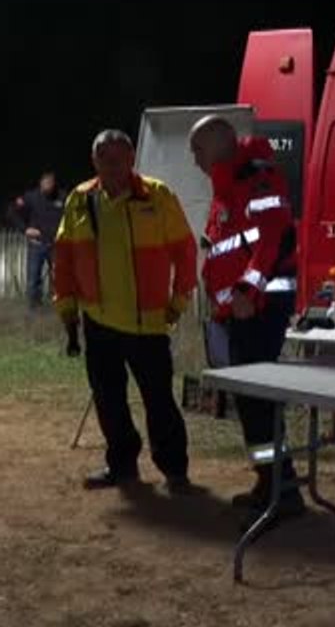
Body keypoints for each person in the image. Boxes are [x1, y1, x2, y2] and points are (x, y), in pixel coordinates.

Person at [53, 129, 199, 494]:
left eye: (118, 159)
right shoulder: (79, 201)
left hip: (148, 324)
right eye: (105, 159)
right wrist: (68, 310)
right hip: (98, 322)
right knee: (108, 400)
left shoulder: (157, 196)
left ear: (132, 158)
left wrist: (178, 302)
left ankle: (175, 470)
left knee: (159, 401)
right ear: (95, 161)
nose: (112, 167)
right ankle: (122, 467)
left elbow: (185, 252)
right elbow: (64, 259)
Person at [189, 115, 305, 525]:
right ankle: (270, 482)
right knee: (249, 401)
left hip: (259, 309)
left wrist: (246, 291)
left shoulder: (256, 176)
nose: (194, 159)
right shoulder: (225, 186)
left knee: (257, 400)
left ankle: (282, 492)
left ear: (220, 143)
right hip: (237, 312)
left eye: (197, 149)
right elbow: (223, 246)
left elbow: (274, 238)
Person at [7, 171, 65, 309]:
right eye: (46, 183)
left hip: (56, 245)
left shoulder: (62, 197)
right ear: (41, 183)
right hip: (37, 244)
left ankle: (60, 307)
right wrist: (25, 229)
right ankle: (34, 309)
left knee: (60, 278)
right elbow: (12, 211)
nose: (48, 186)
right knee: (33, 280)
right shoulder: (31, 197)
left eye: (51, 184)